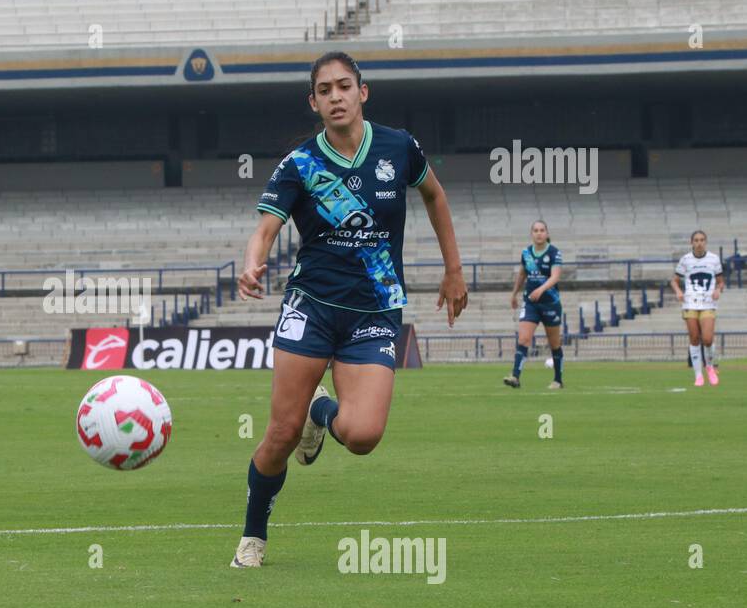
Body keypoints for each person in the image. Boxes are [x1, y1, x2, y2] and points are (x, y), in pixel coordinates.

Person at [231, 51, 468, 569]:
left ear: (363, 92)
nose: (335, 96)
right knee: (279, 435)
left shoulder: (398, 147)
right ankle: (254, 536)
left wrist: (453, 269)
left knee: (362, 436)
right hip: (310, 307)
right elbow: (266, 228)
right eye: (324, 90)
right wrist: (253, 264)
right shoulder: (299, 165)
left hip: (376, 310)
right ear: (313, 102)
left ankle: (323, 409)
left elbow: (435, 196)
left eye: (344, 86)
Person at [503, 220, 565, 390]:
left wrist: (541, 289)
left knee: (554, 344)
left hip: (550, 304)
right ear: (531, 234)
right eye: (536, 230)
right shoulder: (526, 253)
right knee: (523, 338)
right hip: (530, 302)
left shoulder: (554, 253)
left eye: (542, 230)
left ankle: (558, 380)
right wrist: (514, 293)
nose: (539, 233)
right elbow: (522, 274)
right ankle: (515, 376)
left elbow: (555, 277)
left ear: (547, 233)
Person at [672, 229, 724, 387]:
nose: (699, 243)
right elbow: (674, 280)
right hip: (690, 304)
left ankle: (709, 367)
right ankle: (698, 375)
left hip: (708, 303)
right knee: (694, 339)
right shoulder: (686, 259)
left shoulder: (714, 259)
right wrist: (678, 291)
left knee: (707, 339)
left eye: (702, 240)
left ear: (705, 242)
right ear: (691, 242)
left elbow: (720, 281)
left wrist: (718, 290)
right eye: (696, 240)